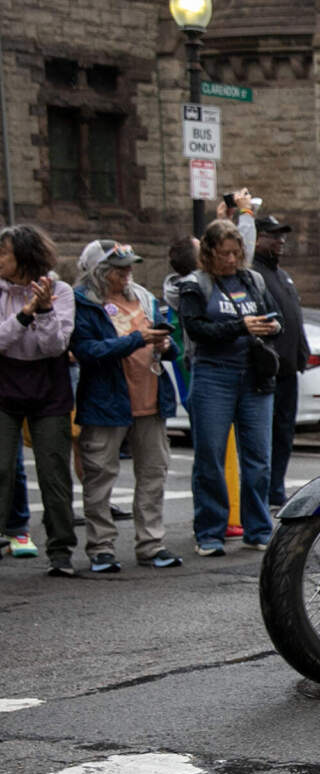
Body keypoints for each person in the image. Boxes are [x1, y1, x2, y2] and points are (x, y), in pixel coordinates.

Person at [71, 240, 181, 571]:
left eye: (129, 267)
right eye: (120, 270)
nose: (127, 274)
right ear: (99, 272)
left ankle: (151, 544)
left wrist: (165, 343)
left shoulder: (144, 298)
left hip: (150, 400)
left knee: (152, 475)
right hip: (105, 402)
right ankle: (101, 547)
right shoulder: (83, 303)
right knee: (100, 476)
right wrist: (138, 339)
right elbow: (88, 351)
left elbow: (172, 349)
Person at [177, 219, 280, 556]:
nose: (232, 260)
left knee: (258, 459)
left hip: (253, 375)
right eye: (224, 254)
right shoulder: (195, 285)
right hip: (213, 375)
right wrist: (241, 326)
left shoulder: (252, 280)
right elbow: (195, 329)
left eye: (237, 253)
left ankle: (258, 529)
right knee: (210, 456)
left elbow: (268, 316)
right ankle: (209, 532)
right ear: (209, 253)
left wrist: (270, 326)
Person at [0, 225, 77, 575]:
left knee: (54, 474)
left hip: (49, 387)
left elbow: (55, 346)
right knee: (1, 468)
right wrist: (25, 313)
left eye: (5, 253)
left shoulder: (60, 291)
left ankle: (61, 551)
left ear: (26, 258)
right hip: (5, 385)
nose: (0, 260)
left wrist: (44, 310)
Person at [250, 214, 309, 509]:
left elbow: (294, 317)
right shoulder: (253, 273)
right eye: (273, 236)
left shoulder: (281, 275)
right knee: (265, 437)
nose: (280, 241)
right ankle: (262, 493)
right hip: (266, 369)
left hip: (288, 369)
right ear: (256, 238)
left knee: (284, 434)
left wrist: (302, 352)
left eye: (281, 236)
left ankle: (275, 490)